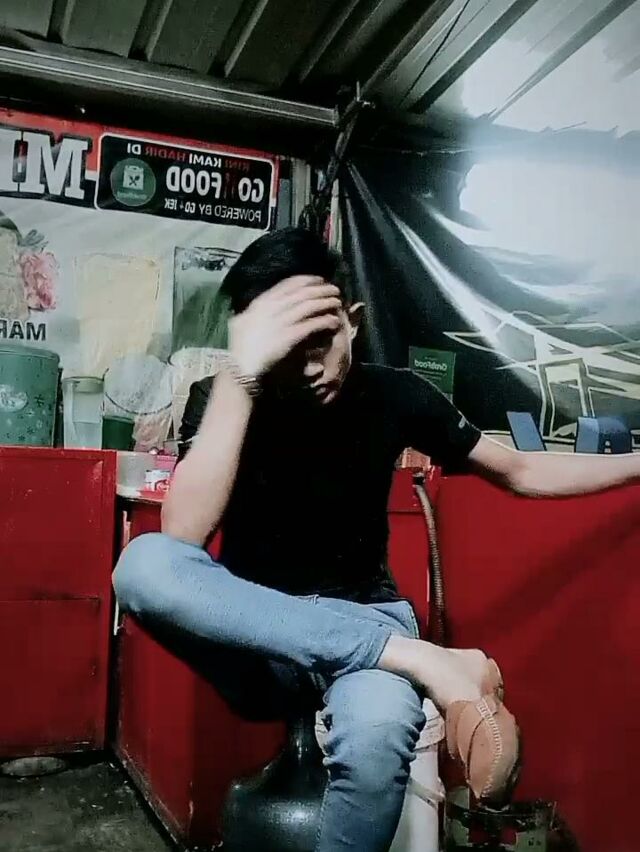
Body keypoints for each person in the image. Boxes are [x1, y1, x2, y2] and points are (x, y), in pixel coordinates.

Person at [113, 227, 639, 852]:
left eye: (322, 343)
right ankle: (423, 661)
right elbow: (181, 538)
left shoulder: (397, 394)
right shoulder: (226, 397)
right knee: (141, 564)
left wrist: (638, 463)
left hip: (368, 617)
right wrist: (240, 378)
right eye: (287, 350)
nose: (310, 369)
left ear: (353, 322)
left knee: (376, 744)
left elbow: (521, 469)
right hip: (261, 635)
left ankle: (400, 658)